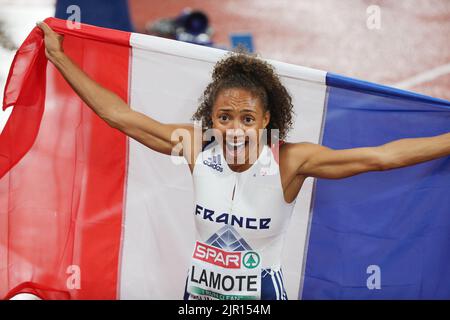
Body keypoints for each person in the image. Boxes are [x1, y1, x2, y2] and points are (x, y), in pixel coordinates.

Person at [37, 22, 450, 300]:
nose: (235, 129)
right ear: (211, 118)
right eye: (225, 117)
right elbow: (119, 116)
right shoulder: (197, 147)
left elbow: (379, 157)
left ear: (267, 119)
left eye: (247, 118)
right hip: (199, 293)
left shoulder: (289, 161)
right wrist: (59, 57)